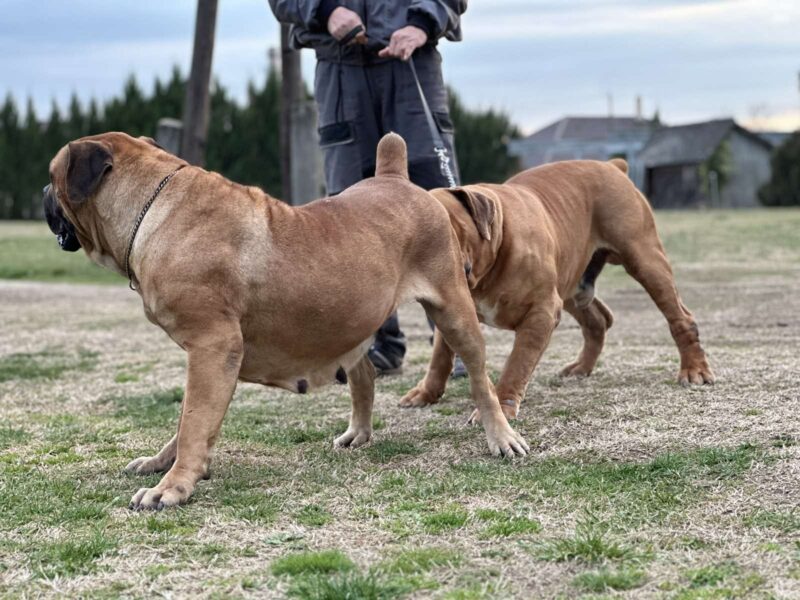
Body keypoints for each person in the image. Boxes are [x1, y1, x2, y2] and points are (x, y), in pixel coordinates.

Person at [268, 0, 467, 376]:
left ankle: (455, 342)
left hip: (413, 67)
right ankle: (375, 346)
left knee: (440, 204)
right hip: (340, 71)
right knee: (348, 218)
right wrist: (327, 11)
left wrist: (422, 24)